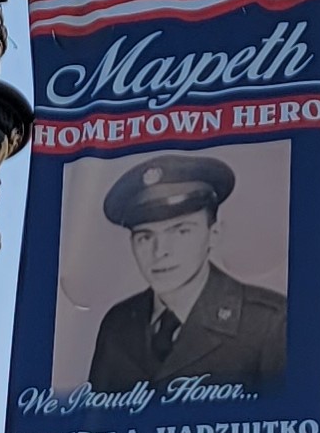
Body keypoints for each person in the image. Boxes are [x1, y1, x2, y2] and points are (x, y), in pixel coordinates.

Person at [88, 154, 286, 392]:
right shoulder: (117, 325)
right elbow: (97, 425)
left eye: (181, 232)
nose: (160, 252)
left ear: (213, 234)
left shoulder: (268, 324)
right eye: (145, 236)